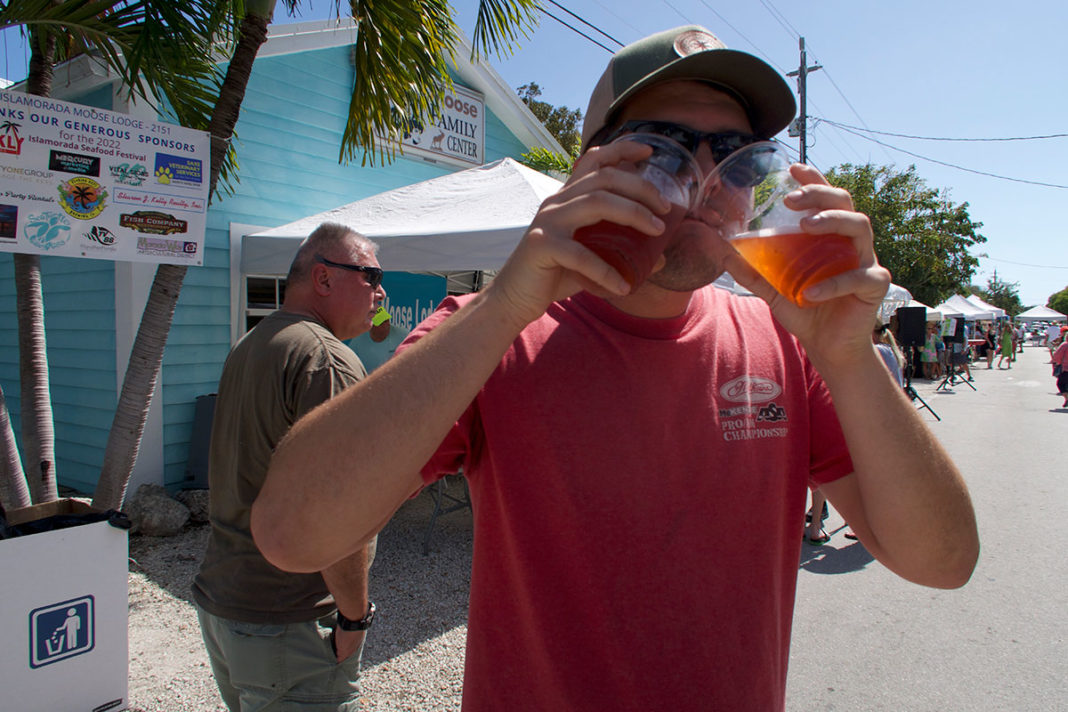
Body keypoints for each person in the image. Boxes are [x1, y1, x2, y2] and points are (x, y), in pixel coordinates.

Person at [252, 26, 979, 711]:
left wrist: (852, 357)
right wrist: (506, 305)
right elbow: (292, 535)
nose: (703, 178)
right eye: (665, 147)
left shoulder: (794, 345)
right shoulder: (493, 330)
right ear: (587, 169)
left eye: (735, 152)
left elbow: (943, 561)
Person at [193, 223, 384, 712]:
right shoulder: (328, 361)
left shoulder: (251, 343)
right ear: (323, 279)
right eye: (370, 275)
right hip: (287, 619)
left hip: (226, 601)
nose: (381, 292)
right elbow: (335, 516)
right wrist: (353, 618)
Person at [349, 306, 411, 372]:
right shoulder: (358, 341)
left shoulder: (404, 336)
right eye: (381, 323)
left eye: (386, 320)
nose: (386, 325)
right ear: (371, 325)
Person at [1053, 334, 1068, 408]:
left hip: (1066, 369)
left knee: (1061, 384)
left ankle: (1067, 398)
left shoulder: (1065, 345)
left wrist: (1058, 362)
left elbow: (1057, 355)